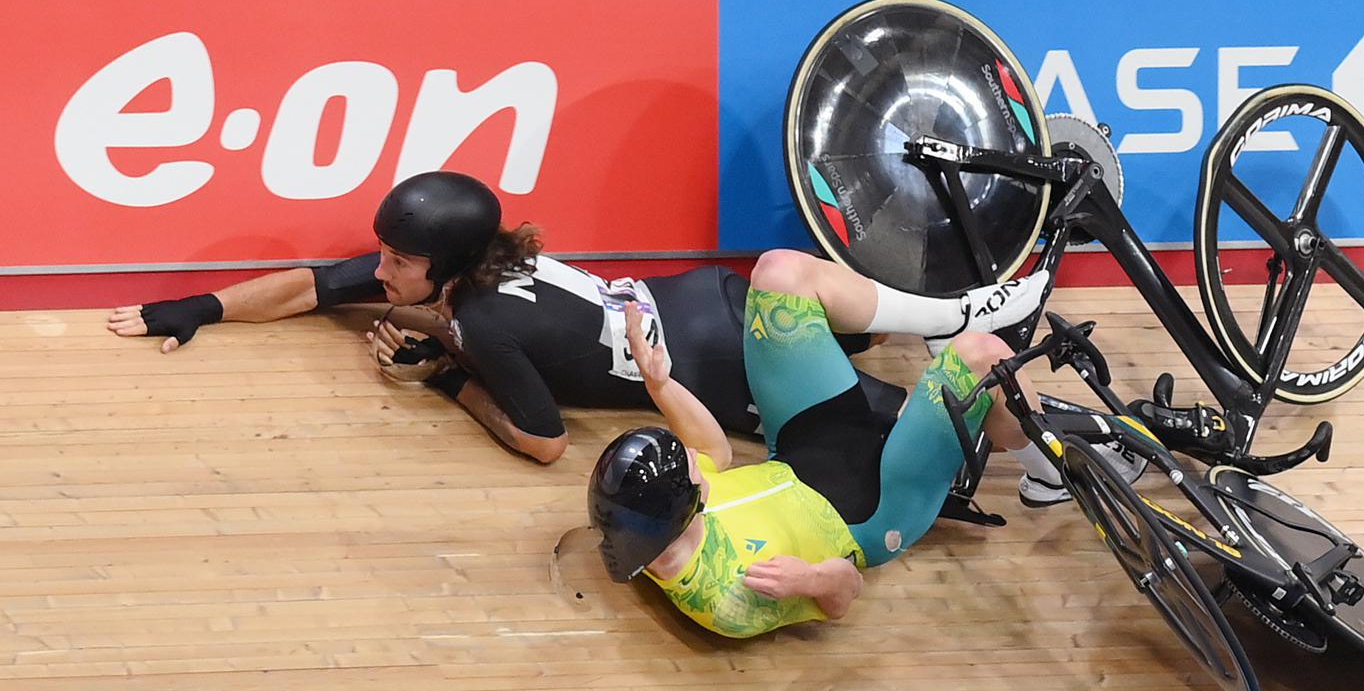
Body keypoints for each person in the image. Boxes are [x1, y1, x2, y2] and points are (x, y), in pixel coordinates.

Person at [108, 171, 1048, 470]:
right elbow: (314, 284)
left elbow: (544, 440)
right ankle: (955, 318)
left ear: (441, 268)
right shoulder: (478, 259)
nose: (377, 268)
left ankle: (1058, 445)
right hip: (710, 296)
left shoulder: (480, 323)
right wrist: (195, 306)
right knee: (805, 284)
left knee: (957, 428)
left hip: (740, 381)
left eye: (393, 259)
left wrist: (446, 376)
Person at [589, 261, 1039, 636]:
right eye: (692, 469)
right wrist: (812, 579)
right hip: (872, 510)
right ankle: (1046, 467)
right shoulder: (729, 596)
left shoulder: (649, 524)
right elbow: (846, 592)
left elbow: (714, 451)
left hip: (801, 453)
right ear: (691, 501)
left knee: (779, 274)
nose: (696, 461)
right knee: (982, 356)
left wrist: (661, 385)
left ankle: (945, 316)